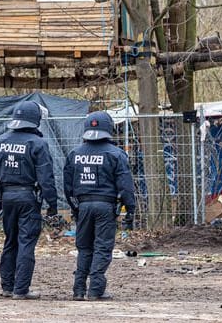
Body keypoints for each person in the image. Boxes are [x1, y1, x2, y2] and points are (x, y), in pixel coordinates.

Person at [0, 100, 58, 300]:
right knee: (26, 242)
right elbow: (46, 178)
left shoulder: (1, 140)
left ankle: (7, 287)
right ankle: (21, 289)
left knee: (10, 241)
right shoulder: (38, 143)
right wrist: (52, 205)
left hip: (7, 196)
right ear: (35, 119)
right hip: (28, 197)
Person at [63, 111, 135, 301]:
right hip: (106, 207)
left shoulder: (74, 154)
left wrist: (75, 207)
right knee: (102, 248)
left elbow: (67, 187)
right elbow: (126, 186)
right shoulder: (116, 154)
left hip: (84, 206)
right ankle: (96, 290)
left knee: (84, 248)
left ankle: (78, 289)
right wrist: (130, 210)